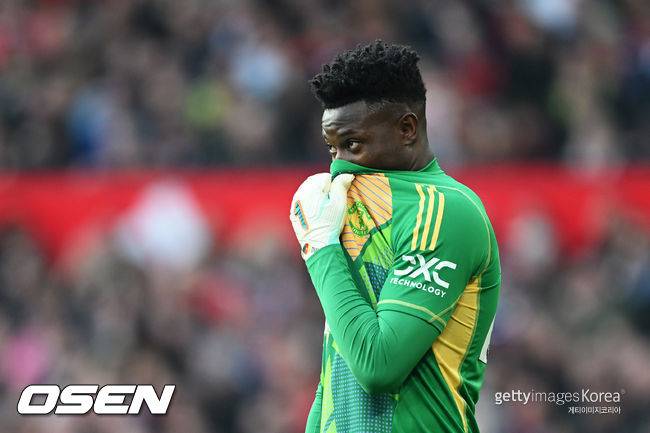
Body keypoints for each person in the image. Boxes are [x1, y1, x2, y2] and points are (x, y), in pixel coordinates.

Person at [289, 40, 501, 433]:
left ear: (407, 129)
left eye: (352, 145)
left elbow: (378, 366)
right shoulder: (355, 206)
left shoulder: (444, 212)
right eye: (332, 149)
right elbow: (336, 371)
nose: (338, 168)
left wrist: (319, 247)